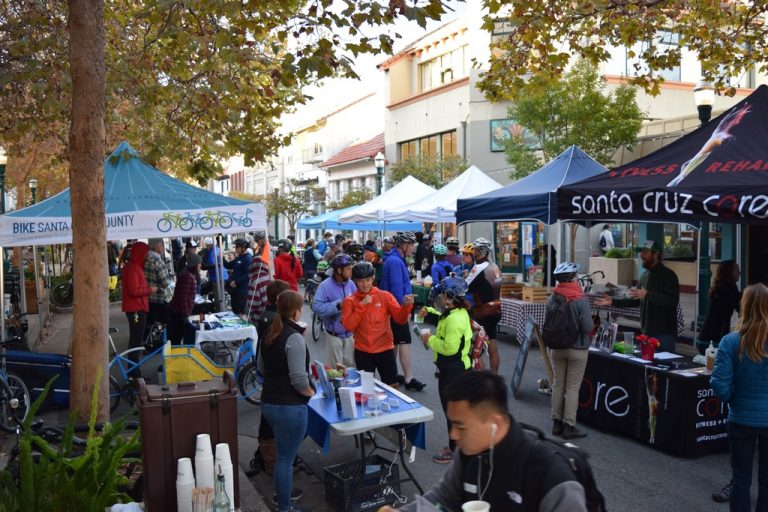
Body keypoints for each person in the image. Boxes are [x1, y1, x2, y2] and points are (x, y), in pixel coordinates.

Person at [381, 371, 587, 512]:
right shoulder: (471, 452)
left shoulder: (552, 476)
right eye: (451, 424)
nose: (453, 435)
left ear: (494, 423)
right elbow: (444, 497)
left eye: (461, 427)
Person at [710, 284, 768, 512]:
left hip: (741, 416)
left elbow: (719, 383)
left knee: (741, 478)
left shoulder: (731, 341)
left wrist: (733, 398)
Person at [258, 290, 314, 512]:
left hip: (269, 402)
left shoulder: (269, 332)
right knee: (285, 459)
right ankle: (284, 506)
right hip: (289, 406)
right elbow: (299, 378)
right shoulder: (294, 337)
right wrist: (310, 392)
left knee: (283, 456)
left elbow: (261, 368)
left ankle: (282, 497)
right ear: (297, 311)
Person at [418, 276, 473, 464]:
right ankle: (461, 445)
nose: (438, 297)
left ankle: (455, 449)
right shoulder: (454, 312)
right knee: (456, 409)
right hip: (453, 369)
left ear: (449, 298)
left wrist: (430, 340)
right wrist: (430, 311)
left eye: (441, 295)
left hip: (454, 371)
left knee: (453, 411)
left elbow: (449, 347)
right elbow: (442, 318)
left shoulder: (455, 319)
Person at [596, 240, 680, 352]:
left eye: (645, 252)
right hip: (647, 332)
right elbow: (634, 300)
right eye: (641, 252)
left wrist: (648, 295)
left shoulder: (669, 275)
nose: (641, 255)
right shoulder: (644, 276)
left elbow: (672, 301)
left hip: (664, 335)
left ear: (656, 254)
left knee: (664, 367)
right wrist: (613, 301)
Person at [342, 261, 414, 387]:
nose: (364, 284)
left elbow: (400, 319)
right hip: (362, 351)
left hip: (385, 349)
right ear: (355, 281)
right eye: (360, 281)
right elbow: (348, 326)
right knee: (366, 389)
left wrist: (406, 306)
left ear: (373, 278)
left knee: (392, 387)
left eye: (368, 280)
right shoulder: (349, 301)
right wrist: (361, 305)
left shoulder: (385, 296)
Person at [547, 262, 594, 439]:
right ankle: (569, 425)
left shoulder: (552, 298)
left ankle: (556, 423)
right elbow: (587, 326)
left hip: (557, 347)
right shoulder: (580, 299)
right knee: (572, 388)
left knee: (558, 384)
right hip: (578, 347)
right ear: (573, 278)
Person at [380, 231, 425, 391]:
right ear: (404, 245)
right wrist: (403, 312)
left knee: (395, 343)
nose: (413, 248)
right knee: (404, 341)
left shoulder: (395, 259)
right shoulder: (395, 261)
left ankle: (391, 375)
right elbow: (397, 289)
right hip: (397, 309)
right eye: (411, 245)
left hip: (393, 309)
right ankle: (408, 378)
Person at [312, 253, 357, 368]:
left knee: (350, 368)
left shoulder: (351, 283)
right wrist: (338, 306)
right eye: (348, 269)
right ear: (339, 270)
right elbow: (316, 307)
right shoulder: (325, 286)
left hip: (350, 335)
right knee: (336, 371)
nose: (351, 271)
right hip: (334, 335)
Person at [466, 238, 502, 374]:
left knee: (475, 349)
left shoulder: (478, 267)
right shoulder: (495, 266)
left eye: (475, 249)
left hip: (483, 312)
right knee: (493, 345)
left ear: (481, 251)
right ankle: (493, 377)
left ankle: (483, 380)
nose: (473, 252)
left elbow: (465, 287)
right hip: (496, 309)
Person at [121, 242, 156, 365]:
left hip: (136, 307)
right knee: (136, 342)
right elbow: (134, 290)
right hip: (136, 309)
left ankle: (134, 371)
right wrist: (150, 289)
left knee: (136, 341)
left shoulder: (133, 267)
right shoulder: (133, 268)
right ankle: (134, 373)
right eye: (145, 254)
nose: (146, 257)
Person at [698, 260, 742, 355]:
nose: (739, 273)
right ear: (729, 273)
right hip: (712, 340)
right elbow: (742, 309)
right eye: (737, 270)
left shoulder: (723, 287)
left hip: (707, 337)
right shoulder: (727, 290)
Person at [167, 253, 201, 345]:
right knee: (177, 337)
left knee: (176, 337)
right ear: (194, 265)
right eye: (199, 264)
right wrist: (185, 315)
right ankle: (175, 357)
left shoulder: (186, 273)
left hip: (176, 310)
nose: (200, 266)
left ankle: (176, 355)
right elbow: (183, 298)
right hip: (178, 312)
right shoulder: (188, 277)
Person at [144, 238, 174, 337]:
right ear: (156, 247)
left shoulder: (145, 258)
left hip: (148, 297)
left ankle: (148, 343)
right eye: (162, 245)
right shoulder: (157, 261)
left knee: (150, 322)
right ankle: (163, 343)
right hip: (159, 298)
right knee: (164, 323)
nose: (163, 247)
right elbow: (165, 283)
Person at [246, 233, 272, 323]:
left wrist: (249, 312)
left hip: (258, 316)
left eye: (258, 240)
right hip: (270, 314)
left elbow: (253, 302)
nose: (258, 242)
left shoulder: (255, 281)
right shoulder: (269, 276)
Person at [223, 238, 253, 316]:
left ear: (243, 247)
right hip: (235, 291)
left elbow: (248, 274)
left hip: (242, 291)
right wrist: (221, 258)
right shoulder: (238, 258)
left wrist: (237, 282)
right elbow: (228, 265)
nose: (235, 248)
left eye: (237, 247)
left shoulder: (248, 258)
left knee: (240, 312)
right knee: (235, 310)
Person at [202, 237, 230, 309]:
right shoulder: (217, 249)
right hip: (223, 276)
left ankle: (220, 311)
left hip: (217, 277)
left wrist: (204, 267)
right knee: (221, 296)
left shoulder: (212, 252)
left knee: (218, 298)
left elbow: (212, 264)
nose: (206, 247)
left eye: (206, 245)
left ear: (209, 245)